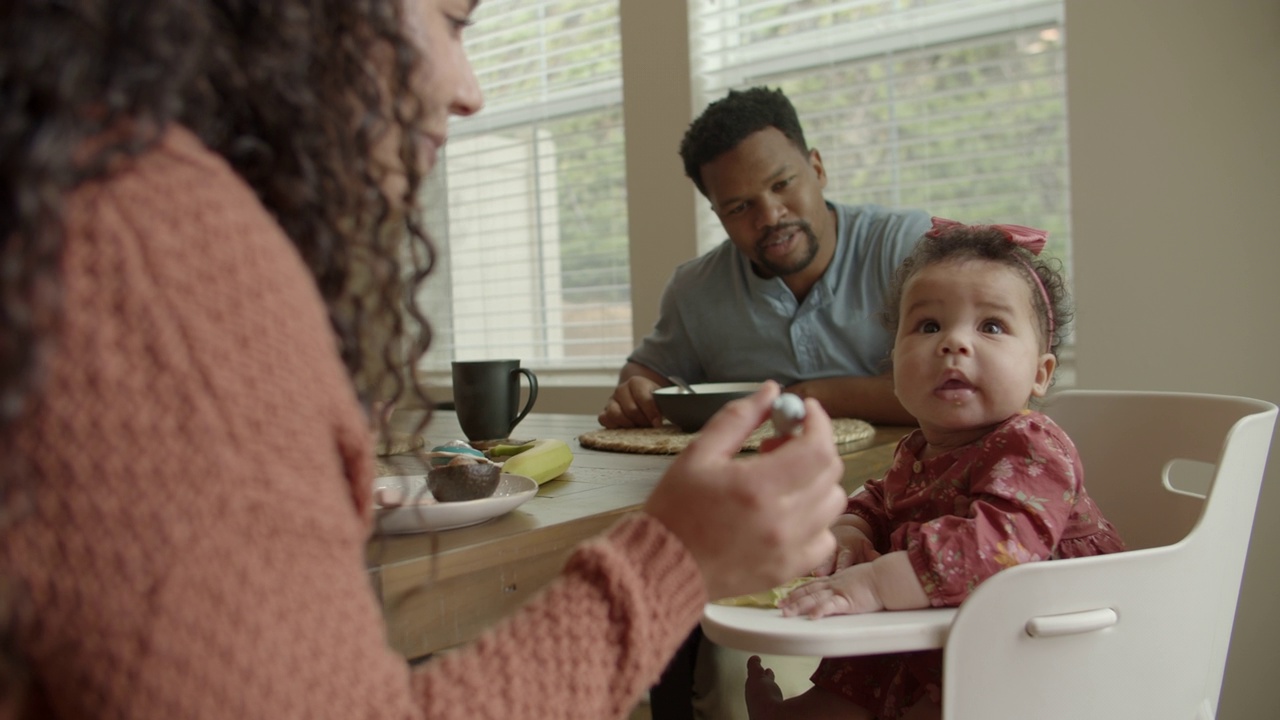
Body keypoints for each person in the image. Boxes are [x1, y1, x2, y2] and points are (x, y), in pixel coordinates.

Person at [0, 1, 851, 718]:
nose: (470, 90)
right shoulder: (157, 250)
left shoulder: (75, 195)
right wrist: (678, 559)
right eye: (450, 20)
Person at [742, 219, 1127, 720]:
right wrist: (850, 530)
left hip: (1047, 643)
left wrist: (875, 584)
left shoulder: (1032, 447)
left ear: (1040, 372)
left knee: (919, 666)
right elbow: (880, 497)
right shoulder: (916, 450)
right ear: (893, 366)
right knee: (873, 661)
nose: (954, 343)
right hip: (957, 619)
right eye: (928, 326)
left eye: (991, 326)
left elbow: (998, 548)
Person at [599, 86, 932, 431]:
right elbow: (644, 375)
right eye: (740, 207)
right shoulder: (694, 290)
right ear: (718, 215)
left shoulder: (908, 248)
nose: (771, 216)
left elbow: (954, 383)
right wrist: (636, 394)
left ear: (817, 169)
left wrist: (807, 396)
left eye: (782, 184)